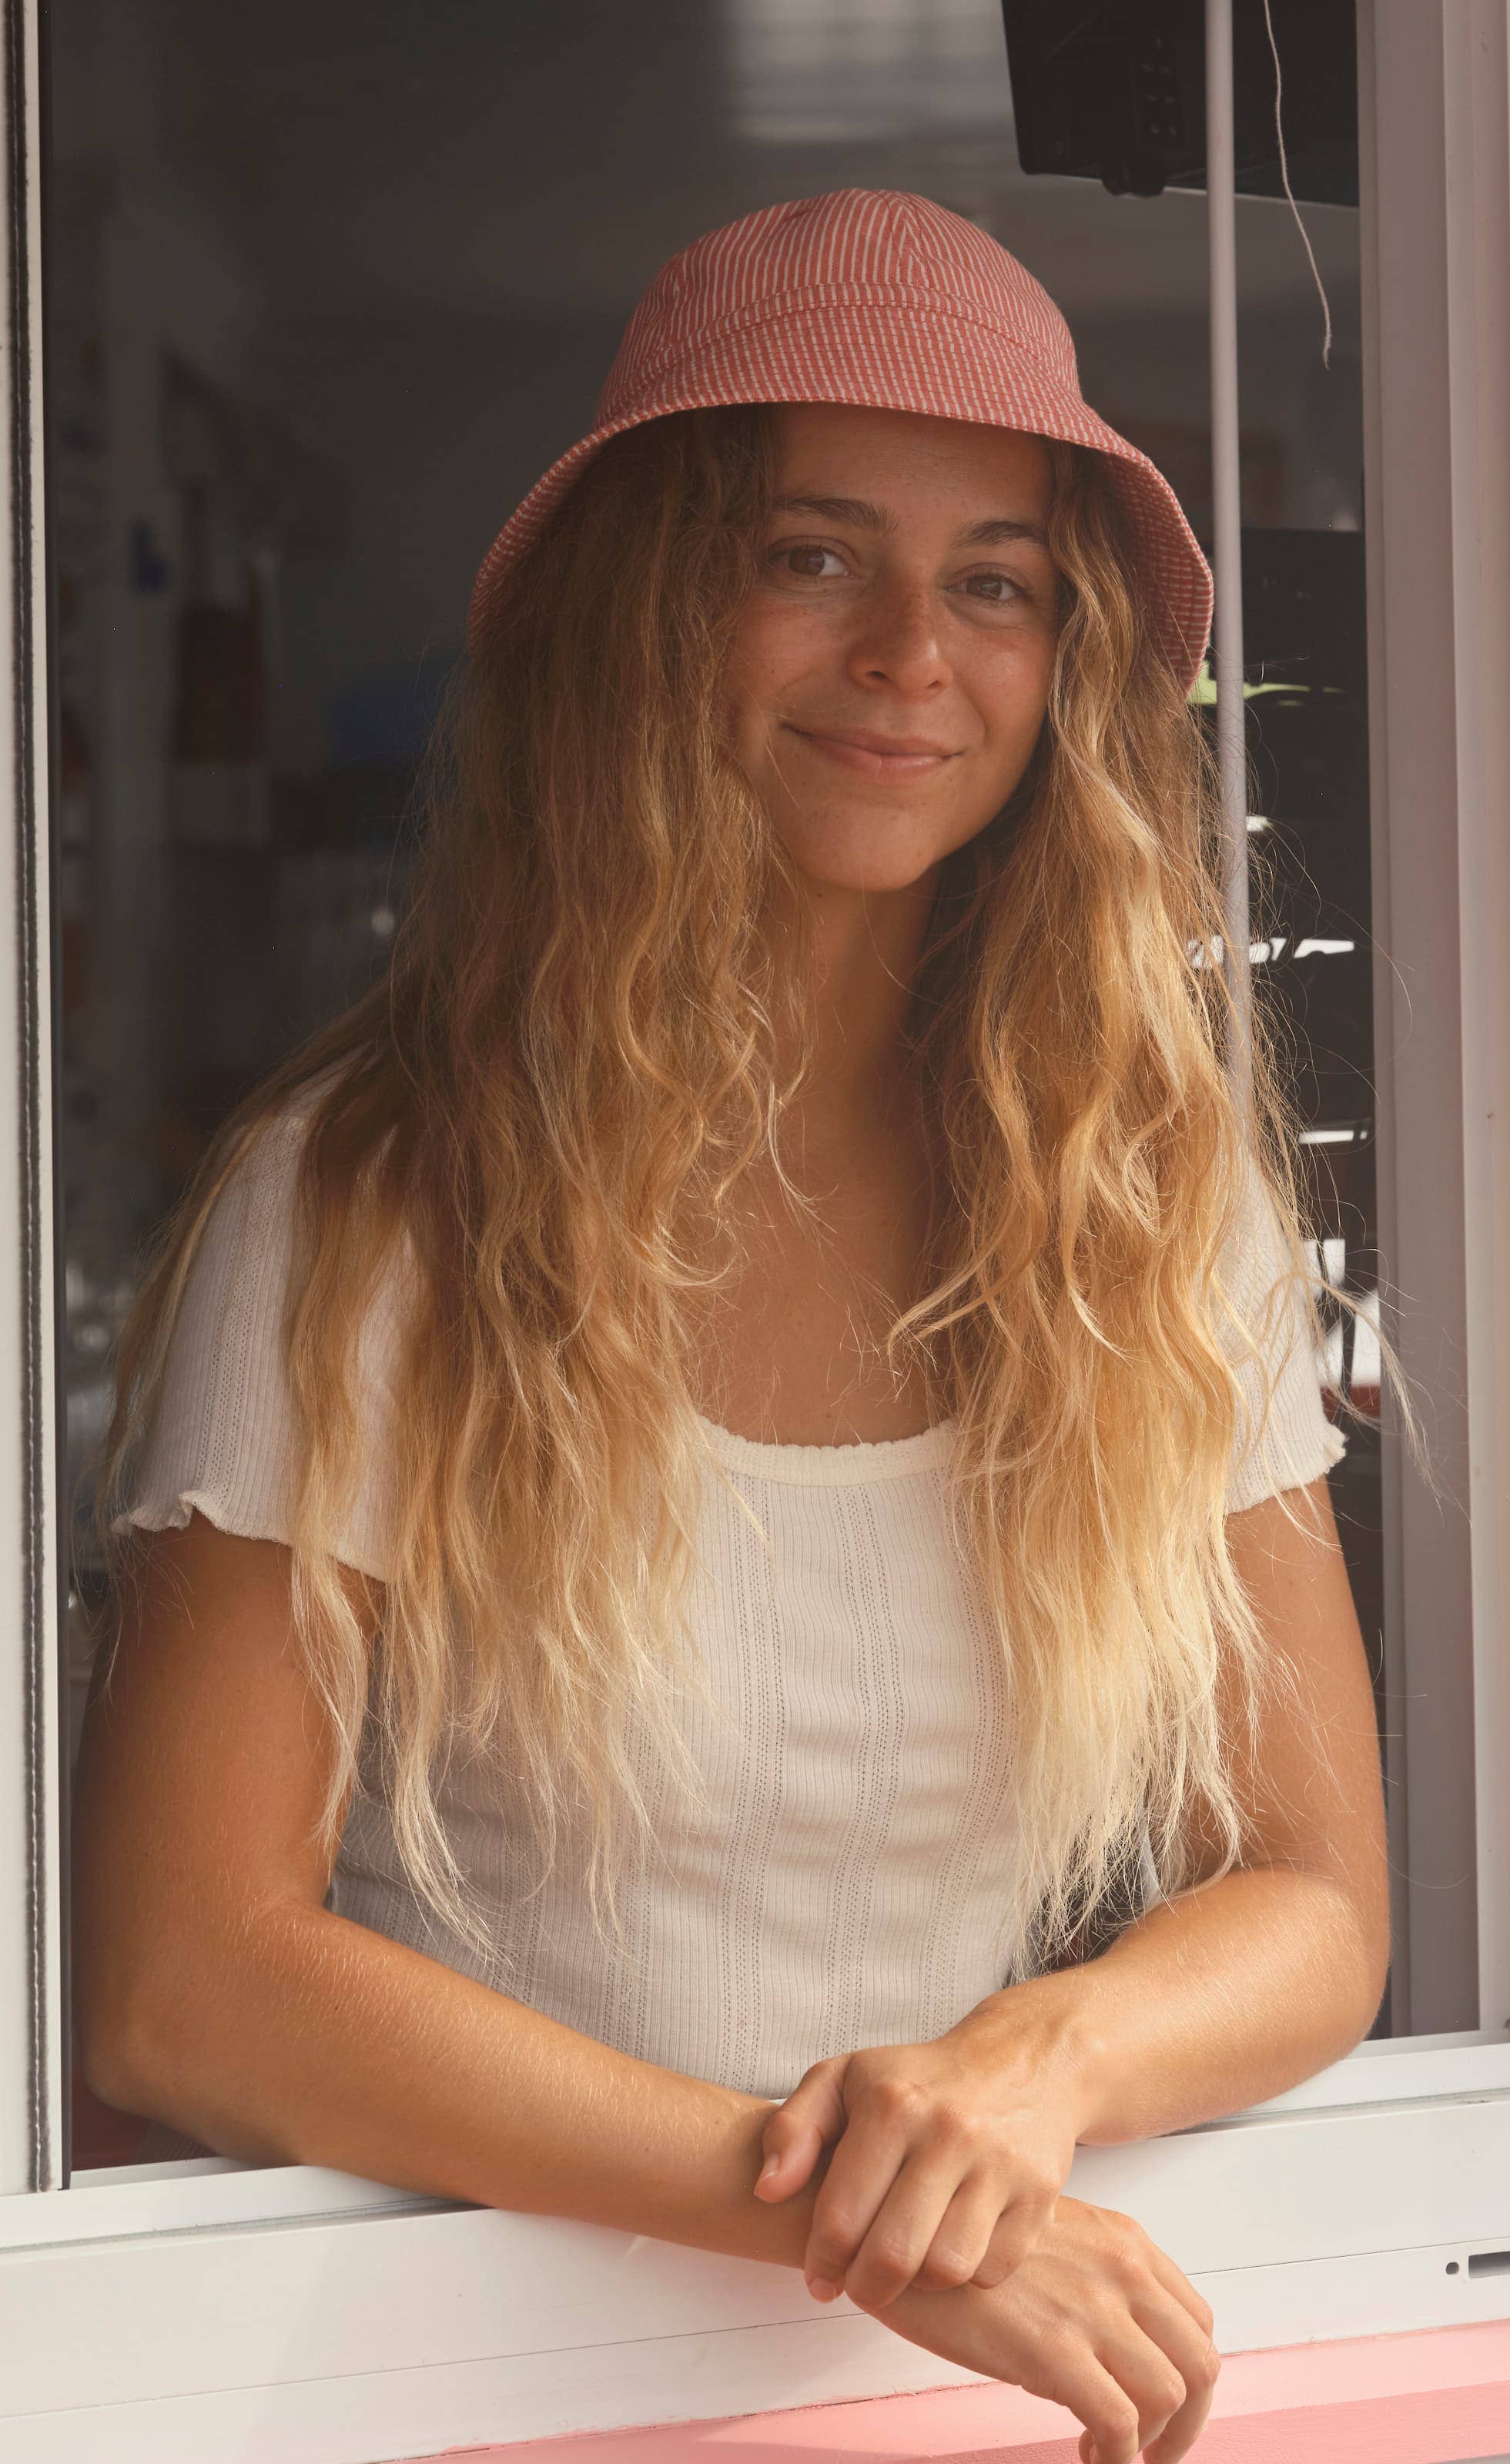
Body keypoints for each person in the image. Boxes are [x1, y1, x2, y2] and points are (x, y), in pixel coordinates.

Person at [73, 190, 1388, 2464]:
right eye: (812, 555)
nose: (913, 652)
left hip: (946, 2399)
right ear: (645, 611)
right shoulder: (372, 1205)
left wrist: (1035, 2066)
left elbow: (1310, 1895)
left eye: (998, 579)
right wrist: (855, 2210)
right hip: (438, 2393)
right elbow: (183, 1978)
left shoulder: (1146, 1212)